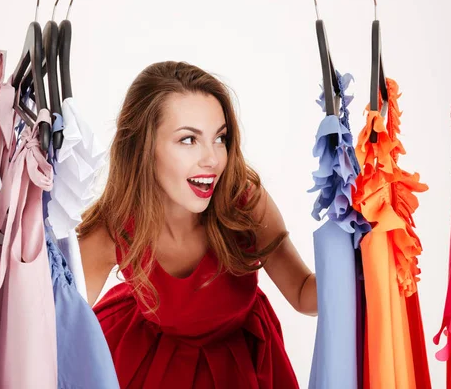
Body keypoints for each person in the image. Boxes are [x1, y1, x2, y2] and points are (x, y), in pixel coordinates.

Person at [78, 61, 317, 388]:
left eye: (220, 138)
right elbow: (56, 327)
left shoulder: (245, 202)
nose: (213, 159)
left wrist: (359, 265)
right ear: (143, 148)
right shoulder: (113, 227)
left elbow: (304, 293)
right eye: (188, 140)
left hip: (244, 364)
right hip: (146, 365)